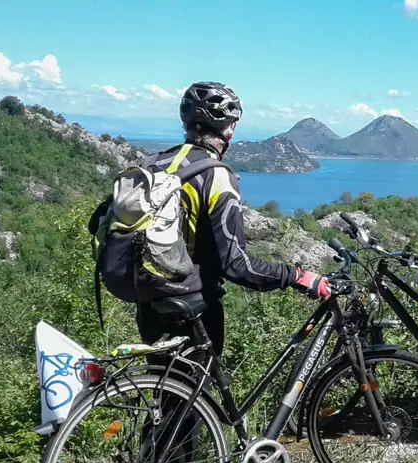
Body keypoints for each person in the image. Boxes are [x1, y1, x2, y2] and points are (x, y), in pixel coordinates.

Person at [134, 81, 331, 356]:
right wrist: (297, 276)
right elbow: (236, 264)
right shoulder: (216, 176)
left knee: (168, 392)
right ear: (230, 129)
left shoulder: (152, 164)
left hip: (148, 301)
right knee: (196, 394)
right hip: (193, 308)